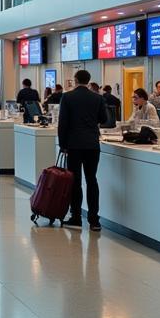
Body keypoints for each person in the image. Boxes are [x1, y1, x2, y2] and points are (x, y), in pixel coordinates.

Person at [57, 69, 110, 231]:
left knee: (75, 181)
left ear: (75, 79)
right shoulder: (98, 98)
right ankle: (94, 220)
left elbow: (63, 123)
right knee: (91, 179)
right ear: (88, 81)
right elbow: (104, 119)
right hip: (92, 144)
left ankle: (76, 217)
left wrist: (62, 144)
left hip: (73, 145)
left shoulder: (67, 97)